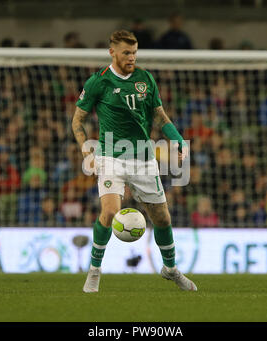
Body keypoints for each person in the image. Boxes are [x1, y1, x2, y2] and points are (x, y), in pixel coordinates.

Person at [72, 30, 197, 293]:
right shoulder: (99, 82)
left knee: (162, 218)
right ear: (112, 52)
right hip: (110, 156)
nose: (131, 57)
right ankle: (94, 271)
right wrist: (86, 150)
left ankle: (170, 269)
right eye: (126, 53)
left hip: (143, 157)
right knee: (108, 212)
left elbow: (161, 118)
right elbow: (77, 120)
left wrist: (177, 139)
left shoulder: (145, 79)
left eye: (134, 52)